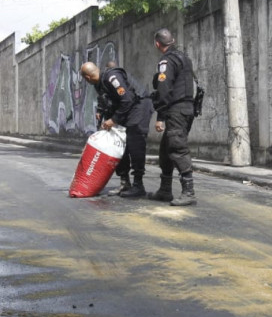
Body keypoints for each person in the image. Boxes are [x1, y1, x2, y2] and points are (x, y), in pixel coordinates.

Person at [80, 60, 153, 198]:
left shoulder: (112, 77)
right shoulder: (98, 83)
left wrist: (113, 120)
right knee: (118, 144)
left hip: (139, 106)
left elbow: (127, 99)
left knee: (134, 144)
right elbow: (106, 99)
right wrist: (101, 112)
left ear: (87, 77)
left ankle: (138, 185)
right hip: (126, 109)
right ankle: (125, 182)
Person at [149, 29, 197, 206]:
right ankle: (165, 190)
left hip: (176, 110)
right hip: (186, 109)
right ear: (173, 40)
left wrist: (160, 116)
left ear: (157, 44)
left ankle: (189, 192)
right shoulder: (183, 57)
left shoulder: (167, 60)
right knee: (165, 150)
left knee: (177, 148)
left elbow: (164, 88)